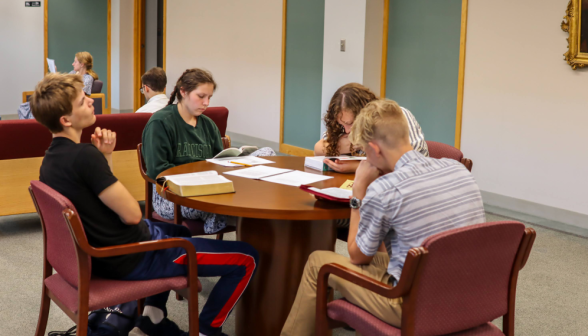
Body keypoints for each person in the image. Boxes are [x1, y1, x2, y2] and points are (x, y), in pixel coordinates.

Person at [30, 73, 258, 336]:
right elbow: (130, 215)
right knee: (247, 257)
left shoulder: (51, 159)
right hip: (131, 256)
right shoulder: (84, 157)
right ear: (66, 119)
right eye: (83, 101)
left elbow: (97, 200)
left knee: (182, 232)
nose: (91, 102)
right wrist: (99, 160)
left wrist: (104, 156)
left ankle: (153, 316)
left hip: (102, 252)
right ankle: (208, 330)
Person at [281, 99, 485, 335]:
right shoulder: (457, 169)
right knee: (392, 256)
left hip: (416, 304)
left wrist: (358, 193)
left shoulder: (385, 188)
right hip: (473, 296)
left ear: (374, 149)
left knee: (318, 262)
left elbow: (358, 256)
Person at [142, 68, 275, 234]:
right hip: (170, 194)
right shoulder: (160, 123)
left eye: (209, 97)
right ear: (183, 92)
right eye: (201, 96)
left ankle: (222, 216)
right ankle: (222, 216)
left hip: (208, 188)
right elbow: (157, 171)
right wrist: (193, 183)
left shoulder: (208, 124)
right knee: (242, 207)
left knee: (267, 152)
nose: (207, 103)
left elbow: (218, 163)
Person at [314, 83, 428, 173]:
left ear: (363, 113)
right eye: (342, 124)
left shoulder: (397, 115)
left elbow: (410, 164)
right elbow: (319, 149)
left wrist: (357, 166)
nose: (347, 131)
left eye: (350, 124)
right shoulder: (344, 124)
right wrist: (355, 144)